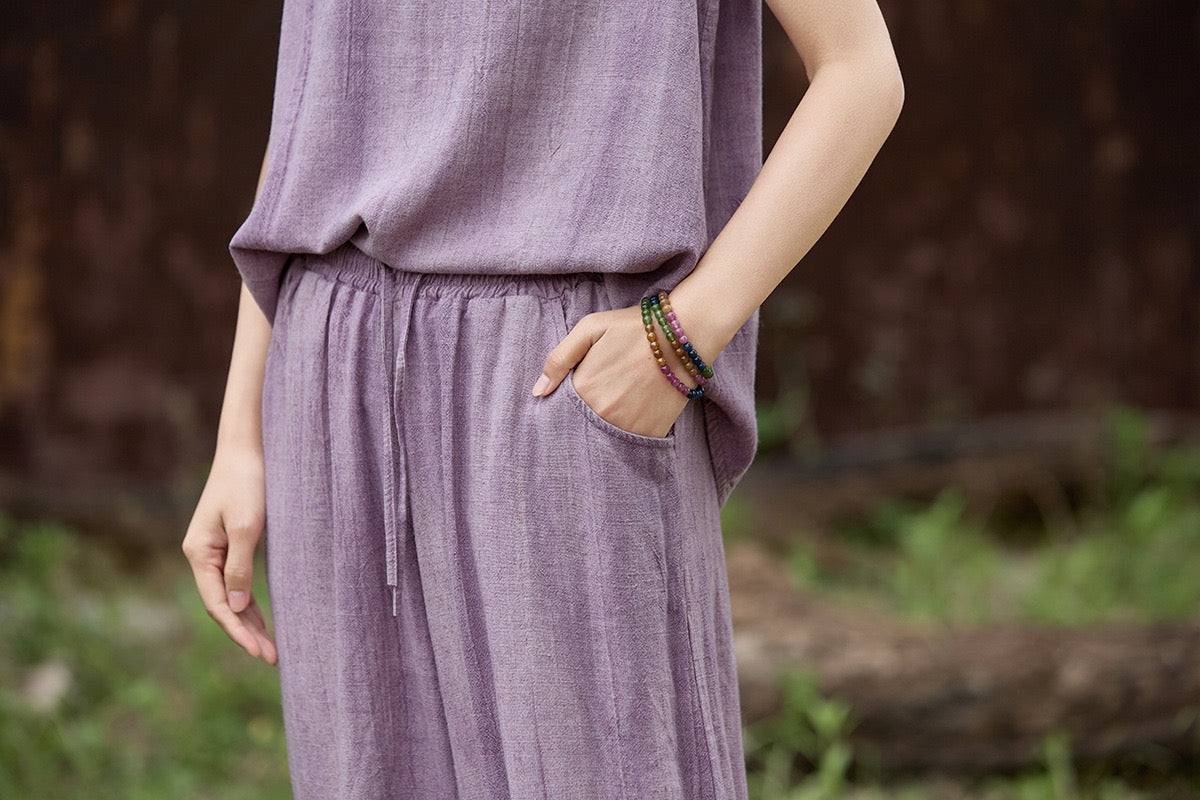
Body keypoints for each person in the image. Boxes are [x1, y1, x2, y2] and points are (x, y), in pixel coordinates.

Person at [182, 0, 902, 797]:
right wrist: (241, 433)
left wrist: (683, 333)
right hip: (331, 367)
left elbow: (860, 70)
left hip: (552, 374)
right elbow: (312, 112)